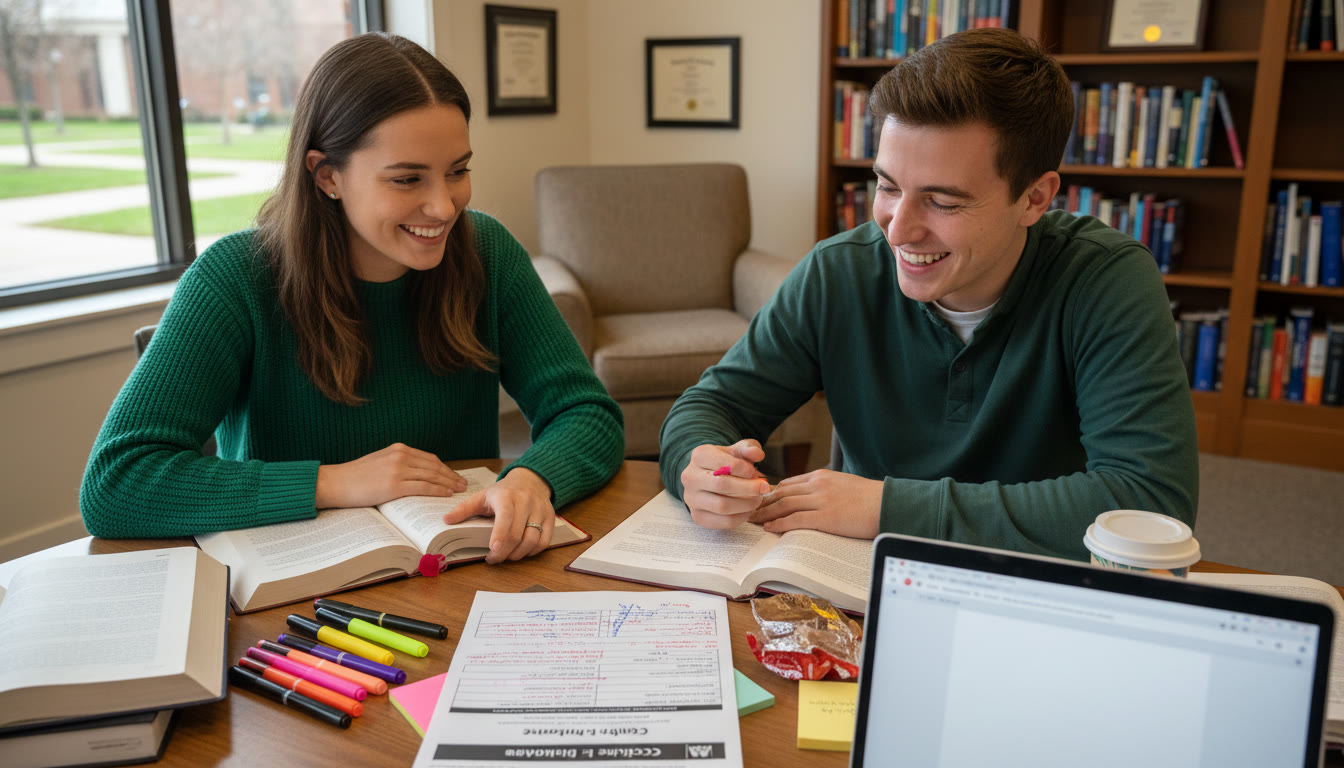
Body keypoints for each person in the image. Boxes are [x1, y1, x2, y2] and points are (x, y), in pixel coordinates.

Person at [81, 33, 624, 563]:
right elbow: (117, 482)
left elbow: (587, 413)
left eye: (458, 171)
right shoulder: (234, 277)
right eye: (408, 179)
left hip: (454, 564)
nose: (444, 206)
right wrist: (334, 481)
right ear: (328, 176)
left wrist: (533, 477)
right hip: (294, 588)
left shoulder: (488, 252)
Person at [658, 28, 1197, 561]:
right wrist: (701, 466)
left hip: (1032, 591)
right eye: (888, 187)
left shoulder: (1105, 281)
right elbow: (711, 406)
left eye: (942, 201)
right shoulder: (837, 272)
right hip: (854, 582)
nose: (897, 230)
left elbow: (1149, 501)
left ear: (1034, 199)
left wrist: (887, 506)